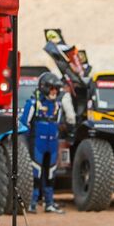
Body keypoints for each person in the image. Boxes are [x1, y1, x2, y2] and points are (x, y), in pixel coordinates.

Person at [21, 73, 65, 213]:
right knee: (36, 173)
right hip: (37, 143)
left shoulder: (58, 106)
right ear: (44, 88)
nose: (54, 92)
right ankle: (32, 202)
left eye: (56, 89)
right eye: (52, 88)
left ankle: (49, 203)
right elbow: (23, 125)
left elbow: (59, 124)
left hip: (52, 145)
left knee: (51, 173)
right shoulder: (33, 104)